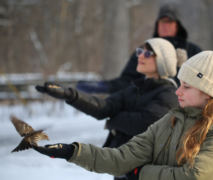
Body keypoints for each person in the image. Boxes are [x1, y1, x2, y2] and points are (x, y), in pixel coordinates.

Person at [33, 51, 213, 180]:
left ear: (207, 92)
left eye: (186, 86)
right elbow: (123, 157)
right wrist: (73, 152)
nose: (178, 91)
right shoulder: (169, 121)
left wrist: (141, 174)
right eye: (180, 84)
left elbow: (197, 176)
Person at [35, 38, 183, 180]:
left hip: (145, 170)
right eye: (140, 51)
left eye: (147, 53)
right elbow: (104, 108)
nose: (140, 56)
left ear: (163, 62)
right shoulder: (133, 89)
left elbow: (146, 123)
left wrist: (114, 120)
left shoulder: (169, 94)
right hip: (121, 166)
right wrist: (70, 95)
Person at [76, 3, 202, 94]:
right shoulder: (144, 51)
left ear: (178, 25)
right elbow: (127, 80)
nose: (165, 25)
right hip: (150, 108)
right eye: (161, 21)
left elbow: (203, 81)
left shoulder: (193, 51)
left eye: (169, 21)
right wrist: (105, 86)